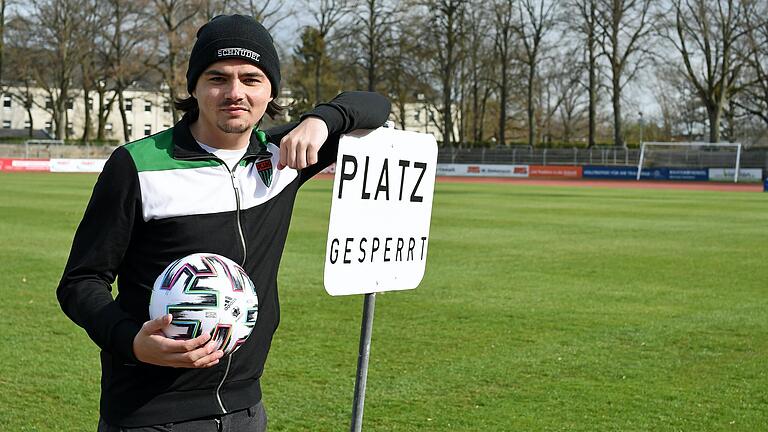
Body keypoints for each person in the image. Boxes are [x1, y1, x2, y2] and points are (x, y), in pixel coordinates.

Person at [56, 14, 390, 431]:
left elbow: (376, 105)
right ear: (193, 87)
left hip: (246, 410)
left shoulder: (281, 158)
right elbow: (80, 281)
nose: (235, 93)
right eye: (217, 78)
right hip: (150, 414)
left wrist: (321, 119)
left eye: (252, 79)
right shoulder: (137, 165)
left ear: (271, 91)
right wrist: (131, 341)